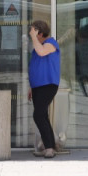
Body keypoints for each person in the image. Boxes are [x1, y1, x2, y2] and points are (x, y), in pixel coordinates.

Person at [28, 20, 60, 159]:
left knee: (38, 115)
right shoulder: (39, 44)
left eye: (35, 33)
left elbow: (41, 53)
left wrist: (34, 37)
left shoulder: (51, 44)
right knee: (43, 115)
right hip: (38, 86)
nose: (32, 37)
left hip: (48, 85)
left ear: (40, 33)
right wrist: (31, 87)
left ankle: (49, 148)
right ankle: (50, 145)